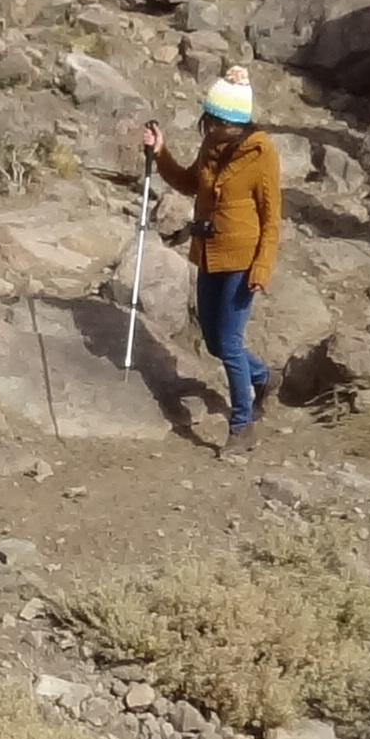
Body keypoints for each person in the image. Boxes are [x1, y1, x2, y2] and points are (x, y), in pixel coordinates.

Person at [144, 72, 283, 454]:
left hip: (243, 260)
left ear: (237, 123)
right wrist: (161, 154)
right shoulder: (210, 145)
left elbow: (272, 217)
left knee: (230, 342)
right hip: (209, 253)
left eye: (221, 124)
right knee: (212, 338)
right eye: (211, 121)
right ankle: (265, 377)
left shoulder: (261, 153)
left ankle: (241, 424)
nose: (214, 129)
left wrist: (261, 267)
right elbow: (191, 183)